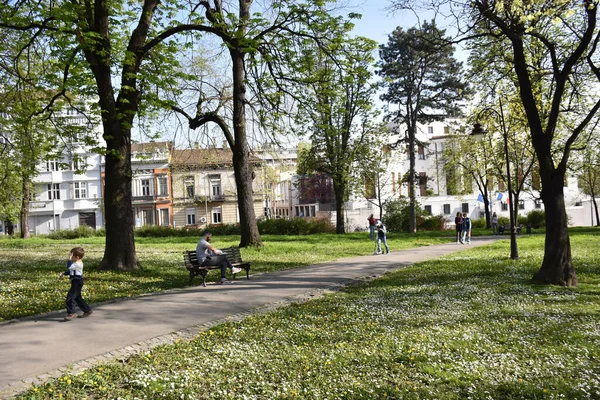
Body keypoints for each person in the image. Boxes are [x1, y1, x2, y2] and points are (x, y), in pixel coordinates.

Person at [59, 247, 93, 321]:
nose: (70, 257)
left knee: (70, 297)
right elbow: (71, 271)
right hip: (76, 281)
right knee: (77, 298)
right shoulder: (76, 263)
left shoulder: (78, 264)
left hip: (77, 282)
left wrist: (69, 259)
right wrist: (64, 273)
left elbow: (69, 267)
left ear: (77, 257)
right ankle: (87, 310)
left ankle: (72, 313)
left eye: (72, 256)